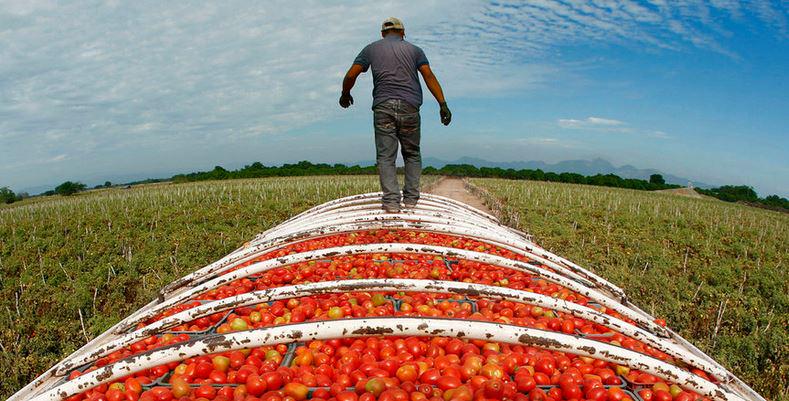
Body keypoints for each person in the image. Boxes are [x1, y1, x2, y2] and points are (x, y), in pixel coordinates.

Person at [340, 17, 451, 213]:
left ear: (382, 34)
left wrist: (345, 93)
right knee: (412, 154)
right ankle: (410, 201)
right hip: (410, 107)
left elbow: (351, 75)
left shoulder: (371, 49)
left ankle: (391, 203)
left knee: (385, 157)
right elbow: (428, 76)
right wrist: (443, 104)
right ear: (403, 33)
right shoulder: (415, 50)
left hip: (383, 107)